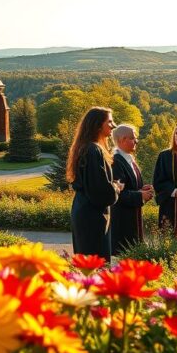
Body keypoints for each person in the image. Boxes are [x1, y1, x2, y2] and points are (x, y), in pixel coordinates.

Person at [67, 107, 122, 258]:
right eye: (109, 122)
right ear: (97, 125)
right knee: (94, 265)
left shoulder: (87, 148)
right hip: (92, 217)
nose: (113, 125)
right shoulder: (93, 150)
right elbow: (100, 192)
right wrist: (116, 188)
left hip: (85, 211)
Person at [109, 124, 153, 255]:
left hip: (134, 218)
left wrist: (143, 190)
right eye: (133, 138)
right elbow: (117, 193)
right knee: (123, 257)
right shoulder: (115, 161)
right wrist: (140, 196)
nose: (136, 141)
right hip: (122, 221)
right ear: (122, 139)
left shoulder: (129, 159)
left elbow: (131, 187)